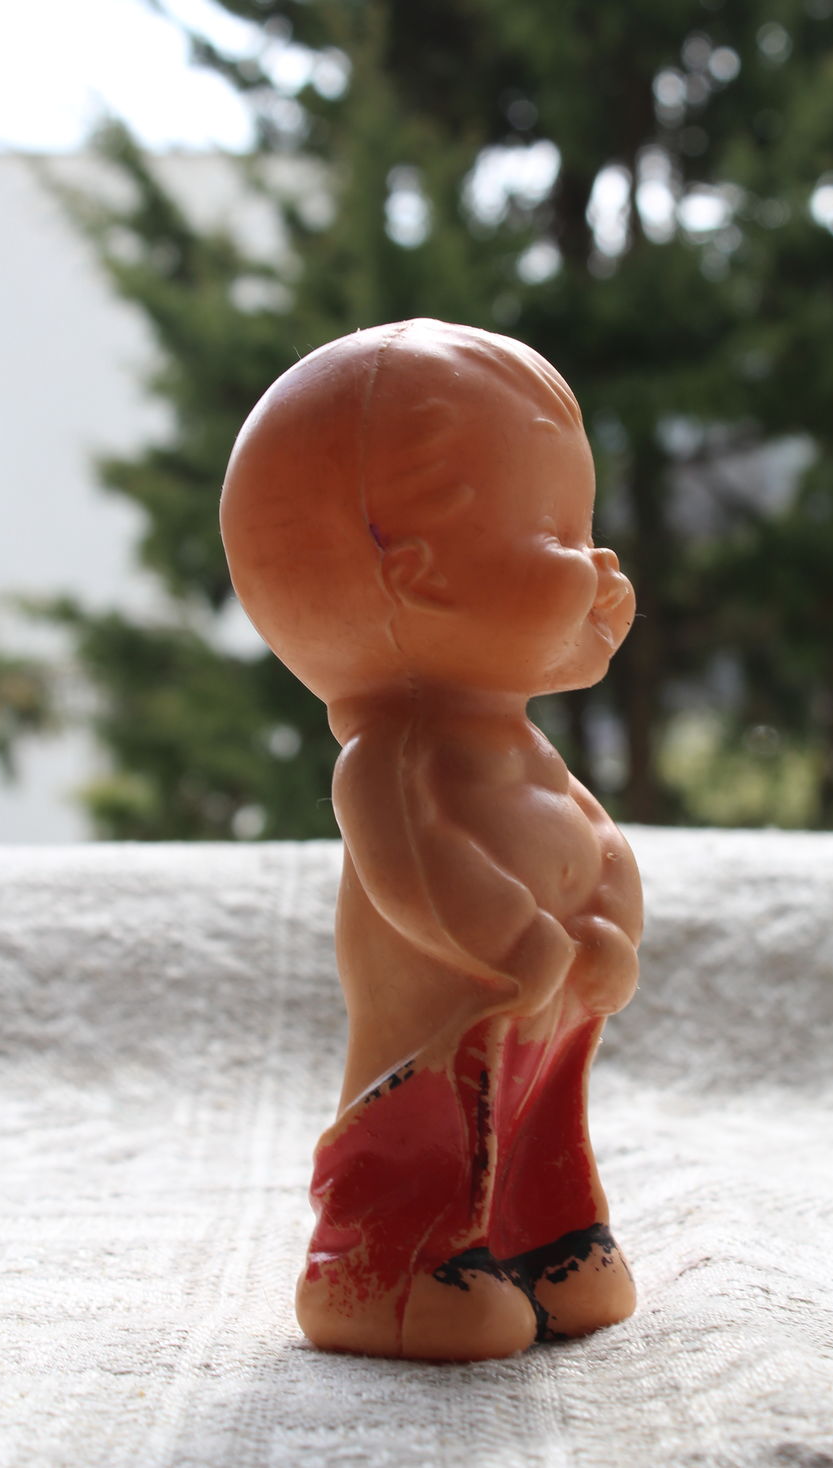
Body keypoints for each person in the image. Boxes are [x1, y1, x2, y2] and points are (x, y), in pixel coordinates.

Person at [221, 318, 642, 1360]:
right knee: (430, 1150)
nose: (600, 565)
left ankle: (545, 1240)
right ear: (410, 573)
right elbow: (421, 874)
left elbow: (590, 833)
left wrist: (607, 918)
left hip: (534, 1013)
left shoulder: (518, 743)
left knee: (534, 1130)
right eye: (554, 532)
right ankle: (381, 1276)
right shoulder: (392, 757)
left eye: (587, 526)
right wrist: (517, 937)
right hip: (447, 1035)